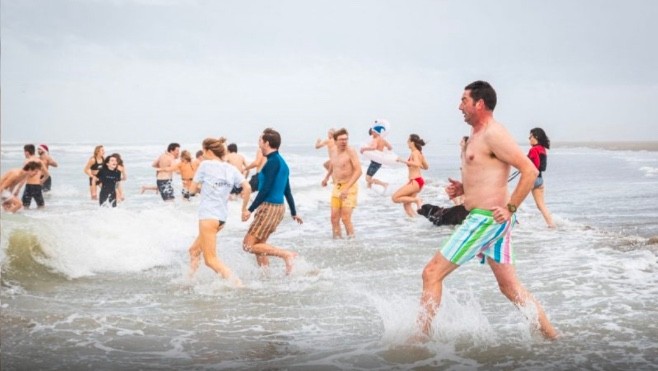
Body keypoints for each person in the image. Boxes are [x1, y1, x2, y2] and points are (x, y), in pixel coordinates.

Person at [416, 81, 557, 341]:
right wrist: (463, 189)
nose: (459, 106)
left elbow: (530, 171)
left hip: (486, 218)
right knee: (509, 287)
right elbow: (486, 175)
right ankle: (553, 338)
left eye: (464, 100)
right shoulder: (478, 135)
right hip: (488, 217)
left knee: (431, 273)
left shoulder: (494, 133)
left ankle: (418, 343)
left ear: (479, 103)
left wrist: (511, 207)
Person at [187, 138, 251, 286]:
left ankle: (237, 284)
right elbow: (247, 188)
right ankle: (189, 280)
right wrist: (244, 209)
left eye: (203, 151)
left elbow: (191, 189)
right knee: (194, 251)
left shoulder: (205, 165)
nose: (202, 155)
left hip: (208, 216)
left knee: (210, 260)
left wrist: (194, 192)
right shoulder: (231, 168)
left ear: (209, 151)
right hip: (221, 219)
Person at [242, 128, 303, 274]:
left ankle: (286, 254)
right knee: (260, 245)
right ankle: (265, 275)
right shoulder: (282, 163)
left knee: (248, 245)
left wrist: (249, 210)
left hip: (269, 207)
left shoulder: (272, 163)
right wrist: (294, 212)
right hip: (278, 208)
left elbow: (266, 189)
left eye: (260, 141)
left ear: (267, 143)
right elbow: (287, 190)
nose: (259, 144)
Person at [321, 128, 362, 238]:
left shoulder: (351, 151)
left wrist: (347, 188)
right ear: (335, 141)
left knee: (345, 218)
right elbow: (333, 165)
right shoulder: (333, 151)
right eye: (341, 140)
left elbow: (359, 171)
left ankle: (351, 243)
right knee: (334, 218)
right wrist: (326, 178)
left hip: (350, 186)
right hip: (337, 187)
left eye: (346, 139)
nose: (344, 142)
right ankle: (337, 242)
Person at [392, 134, 429, 217]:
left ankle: (416, 200)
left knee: (395, 198)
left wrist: (403, 160)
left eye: (408, 141)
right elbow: (426, 167)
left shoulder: (415, 153)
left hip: (415, 181)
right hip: (418, 181)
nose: (407, 143)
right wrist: (418, 165)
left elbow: (417, 163)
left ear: (412, 142)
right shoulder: (419, 153)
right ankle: (416, 222)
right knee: (406, 206)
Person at [527, 128, 556, 228]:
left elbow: (536, 164)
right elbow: (542, 167)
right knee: (541, 206)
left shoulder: (534, 149)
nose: (529, 138)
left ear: (536, 137)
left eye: (530, 136)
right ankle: (552, 225)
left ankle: (507, 222)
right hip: (540, 180)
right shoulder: (542, 149)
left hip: (532, 179)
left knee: (514, 199)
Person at [360, 124, 392, 190]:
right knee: (370, 178)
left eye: (372, 132)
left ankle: (384, 184)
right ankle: (369, 191)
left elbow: (373, 147)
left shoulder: (375, 139)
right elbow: (390, 148)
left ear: (375, 132)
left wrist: (364, 149)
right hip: (379, 161)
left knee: (368, 179)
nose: (372, 134)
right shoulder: (383, 140)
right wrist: (384, 150)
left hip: (375, 161)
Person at [21, 144, 49, 209]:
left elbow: (23, 174)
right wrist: (41, 181)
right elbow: (47, 174)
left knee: (25, 206)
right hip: (37, 186)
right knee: (41, 206)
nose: (24, 154)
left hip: (29, 187)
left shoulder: (27, 161)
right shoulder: (40, 161)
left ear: (27, 152)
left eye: (24, 152)